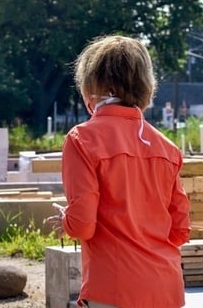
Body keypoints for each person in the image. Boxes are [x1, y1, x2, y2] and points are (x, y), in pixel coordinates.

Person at [49, 35, 191, 308]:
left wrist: (66, 220)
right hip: (166, 288)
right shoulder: (168, 148)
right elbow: (180, 231)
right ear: (146, 87)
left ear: (91, 86)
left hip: (113, 289)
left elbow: (83, 225)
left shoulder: (82, 139)